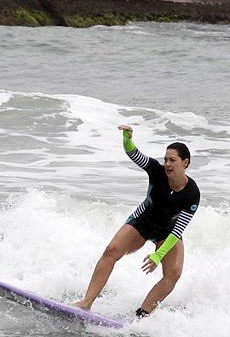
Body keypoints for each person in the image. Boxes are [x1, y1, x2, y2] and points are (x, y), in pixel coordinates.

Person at [71, 125, 200, 317]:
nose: (167, 164)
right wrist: (127, 139)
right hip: (143, 221)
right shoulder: (157, 171)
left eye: (173, 160)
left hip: (168, 231)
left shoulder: (192, 193)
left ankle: (142, 315)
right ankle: (86, 302)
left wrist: (159, 255)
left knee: (173, 274)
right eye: (166, 159)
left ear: (185, 163)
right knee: (111, 251)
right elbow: (134, 154)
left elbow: (179, 229)